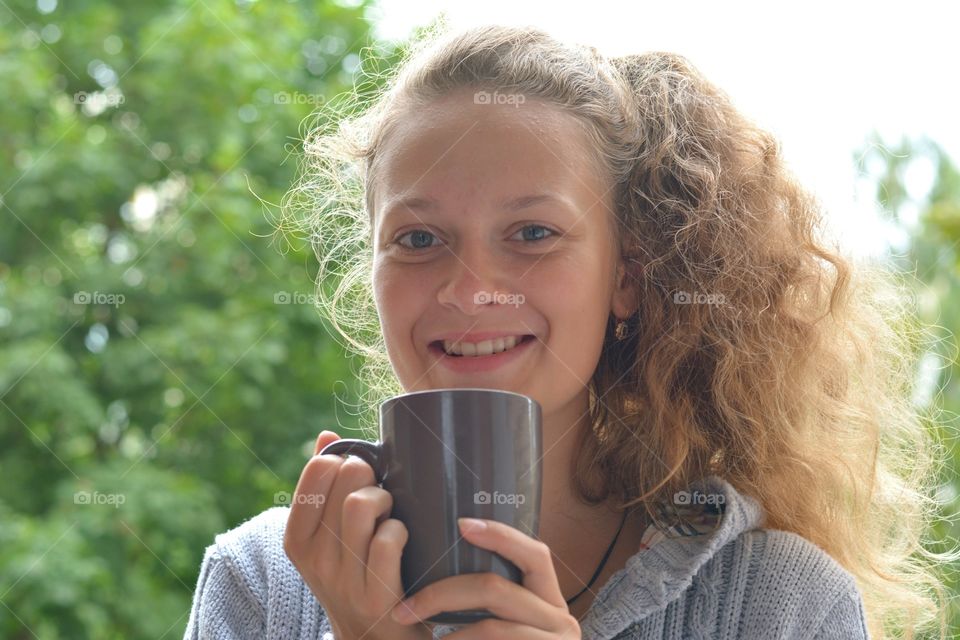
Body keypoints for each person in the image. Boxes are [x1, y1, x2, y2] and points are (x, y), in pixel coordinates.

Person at [183, 22, 954, 640]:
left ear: (625, 276)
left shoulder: (782, 606)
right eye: (418, 239)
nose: (471, 289)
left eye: (533, 233)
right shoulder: (261, 583)